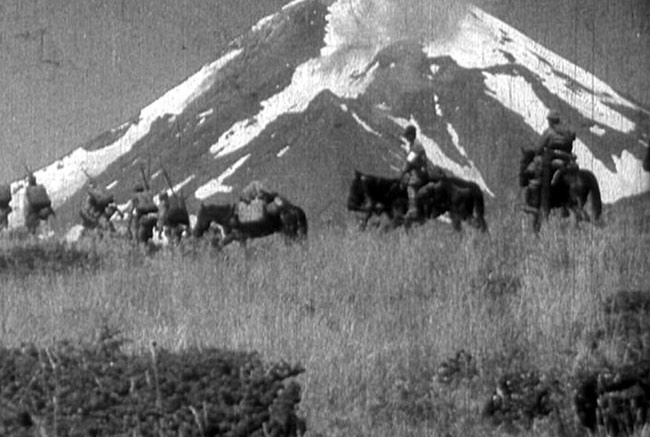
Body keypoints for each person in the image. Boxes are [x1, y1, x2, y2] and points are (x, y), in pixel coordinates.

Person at [401, 125, 429, 222]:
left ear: (412, 135)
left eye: (407, 136)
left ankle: (414, 210)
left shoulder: (416, 147)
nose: (406, 138)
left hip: (419, 174)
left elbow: (409, 162)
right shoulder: (415, 145)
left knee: (411, 186)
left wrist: (404, 171)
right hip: (418, 171)